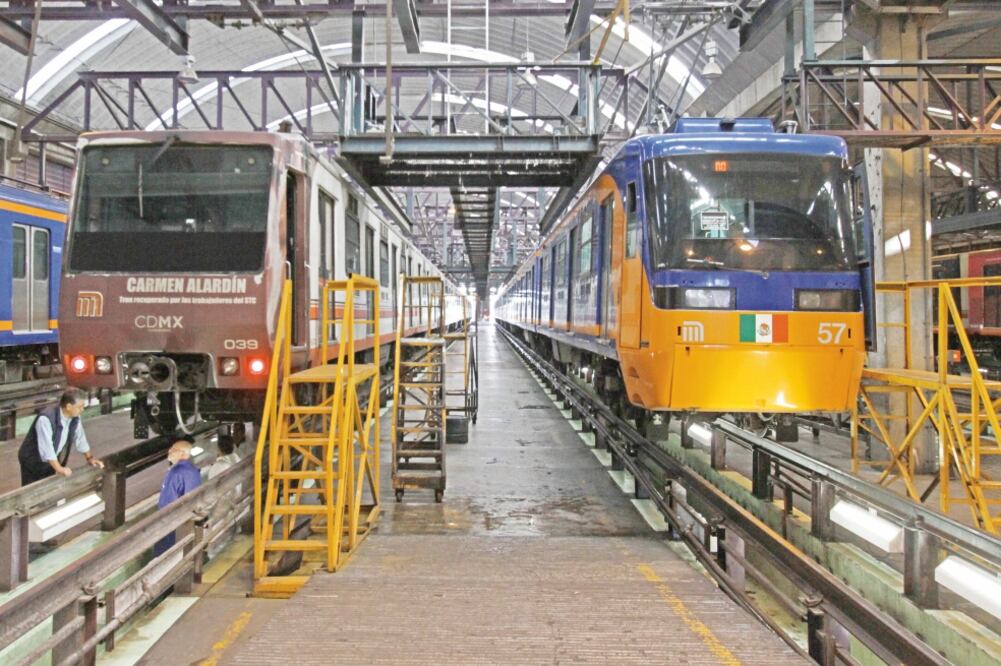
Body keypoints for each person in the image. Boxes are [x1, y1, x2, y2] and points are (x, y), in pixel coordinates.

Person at [18, 388, 104, 486]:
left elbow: (80, 439)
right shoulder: (45, 419)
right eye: (80, 407)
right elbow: (47, 449)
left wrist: (90, 458)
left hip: (50, 459)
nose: (82, 410)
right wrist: (59, 468)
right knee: (32, 490)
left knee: (48, 487)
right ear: (68, 406)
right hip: (32, 459)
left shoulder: (75, 418)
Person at [152, 438, 202, 557]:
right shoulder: (193, 470)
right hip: (188, 520)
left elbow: (167, 502)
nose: (169, 451)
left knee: (165, 556)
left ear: (182, 454)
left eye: (173, 449)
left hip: (171, 524)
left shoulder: (175, 472)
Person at [206, 434, 242, 559]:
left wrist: (205, 510)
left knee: (217, 535)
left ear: (218, 449)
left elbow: (211, 493)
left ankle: (214, 558)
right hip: (235, 502)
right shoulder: (237, 460)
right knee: (230, 532)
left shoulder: (218, 467)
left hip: (221, 506)